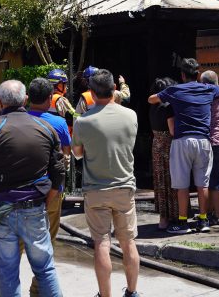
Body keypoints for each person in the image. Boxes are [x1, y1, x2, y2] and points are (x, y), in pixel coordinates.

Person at [0, 80, 65, 297]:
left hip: (1, 210)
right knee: (45, 268)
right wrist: (46, 200)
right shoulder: (46, 128)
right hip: (34, 209)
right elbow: (59, 173)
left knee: (8, 271)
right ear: (25, 100)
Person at [72, 69, 140, 297]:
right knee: (128, 242)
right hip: (124, 188)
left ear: (91, 92)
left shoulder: (83, 121)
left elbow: (78, 154)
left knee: (101, 242)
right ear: (114, 90)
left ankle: (105, 295)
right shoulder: (131, 116)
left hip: (96, 190)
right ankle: (132, 292)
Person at [147, 58, 219, 235]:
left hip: (182, 141)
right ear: (198, 75)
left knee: (182, 184)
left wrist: (167, 96)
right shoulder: (208, 89)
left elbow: (151, 99)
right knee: (203, 184)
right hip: (204, 141)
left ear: (182, 75)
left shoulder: (175, 90)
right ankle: (203, 220)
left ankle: (183, 223)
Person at [26, 77, 72, 297]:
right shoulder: (59, 123)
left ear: (27, 98)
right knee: (47, 243)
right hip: (52, 192)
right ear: (49, 99)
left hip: (21, 193)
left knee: (14, 246)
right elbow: (66, 154)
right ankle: (37, 290)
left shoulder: (17, 120)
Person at [201, 70, 219, 225]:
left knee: (214, 181)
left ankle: (218, 215)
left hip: (215, 143)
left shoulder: (210, 97)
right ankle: (213, 212)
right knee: (216, 179)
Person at [149, 77, 179, 230]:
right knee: (171, 180)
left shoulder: (153, 107)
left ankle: (162, 217)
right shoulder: (168, 106)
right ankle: (172, 215)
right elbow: (172, 130)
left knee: (160, 181)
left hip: (156, 145)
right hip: (168, 145)